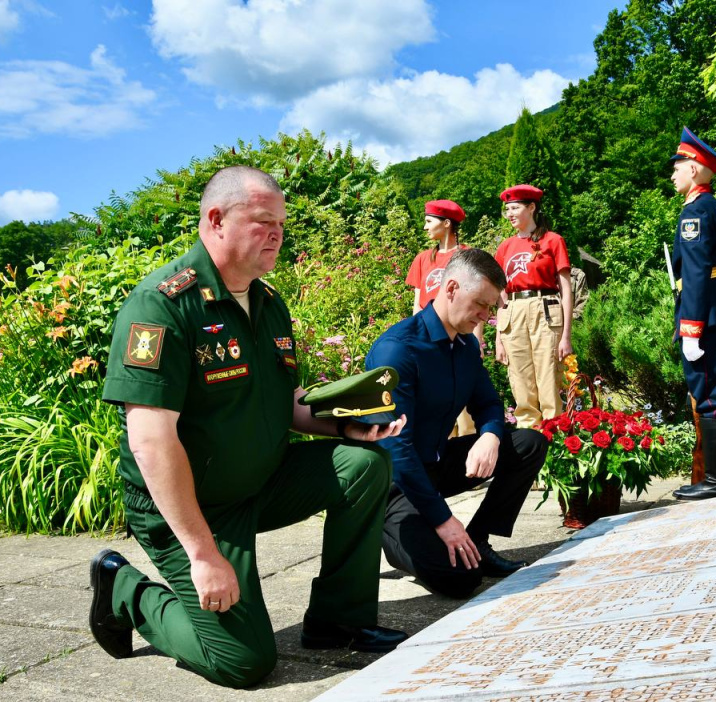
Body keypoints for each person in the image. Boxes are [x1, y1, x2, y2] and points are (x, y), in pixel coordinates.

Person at [89, 166, 408, 689]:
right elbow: (150, 441)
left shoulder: (267, 302)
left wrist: (344, 429)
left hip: (259, 483)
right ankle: (127, 591)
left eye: (281, 223)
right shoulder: (163, 306)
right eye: (263, 221)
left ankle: (339, 622)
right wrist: (202, 555)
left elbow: (286, 404)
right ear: (215, 220)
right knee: (242, 662)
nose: (278, 233)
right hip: (193, 510)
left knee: (365, 464)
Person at [366, 248, 548, 599]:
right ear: (450, 289)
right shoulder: (398, 350)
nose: (485, 316)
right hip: (395, 487)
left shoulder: (463, 346)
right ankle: (392, 538)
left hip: (435, 466)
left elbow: (489, 404)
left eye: (491, 308)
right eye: (481, 304)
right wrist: (444, 521)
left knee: (528, 443)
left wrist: (491, 436)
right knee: (461, 580)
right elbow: (396, 450)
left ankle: (477, 541)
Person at [666, 127, 716, 501]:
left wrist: (691, 327)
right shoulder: (706, 206)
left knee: (711, 393)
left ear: (695, 168)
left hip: (706, 314)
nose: (673, 174)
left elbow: (696, 271)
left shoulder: (696, 211)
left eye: (678, 166)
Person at [493, 184, 573, 429]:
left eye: (515, 208)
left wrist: (566, 335)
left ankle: (554, 437)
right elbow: (500, 294)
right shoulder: (504, 247)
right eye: (507, 209)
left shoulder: (553, 240)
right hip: (512, 312)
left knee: (548, 374)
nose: (510, 214)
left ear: (532, 207)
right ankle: (529, 437)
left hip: (546, 308)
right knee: (520, 377)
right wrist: (498, 337)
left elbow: (566, 288)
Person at [405, 199, 480, 436]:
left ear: (447, 223)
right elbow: (418, 303)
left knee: (463, 395)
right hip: (429, 335)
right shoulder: (422, 258)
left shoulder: (468, 256)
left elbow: (476, 302)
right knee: (434, 395)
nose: (425, 227)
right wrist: (414, 338)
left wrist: (476, 340)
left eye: (429, 221)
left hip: (459, 335)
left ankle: (467, 450)